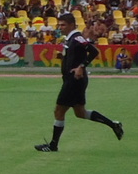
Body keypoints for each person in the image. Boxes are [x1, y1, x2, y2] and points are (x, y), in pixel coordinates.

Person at [36, 14, 124, 152]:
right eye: (59, 25)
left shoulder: (77, 38)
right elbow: (77, 54)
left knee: (59, 111)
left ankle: (53, 145)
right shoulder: (71, 39)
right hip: (75, 81)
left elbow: (93, 51)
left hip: (74, 81)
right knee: (80, 112)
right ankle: (113, 124)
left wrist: (82, 66)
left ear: (71, 25)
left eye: (63, 25)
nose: (60, 27)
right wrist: (64, 57)